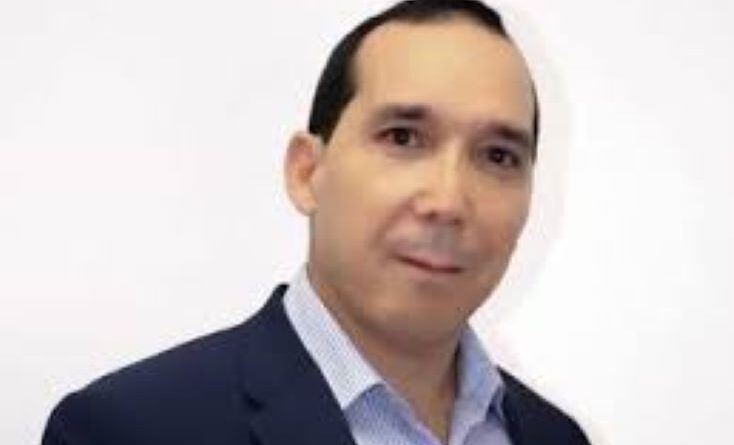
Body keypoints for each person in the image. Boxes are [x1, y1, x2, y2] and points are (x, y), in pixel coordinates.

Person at [42, 1, 591, 444]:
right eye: (403, 138)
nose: (448, 201)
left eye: (498, 156)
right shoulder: (125, 430)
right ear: (307, 172)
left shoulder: (555, 437)